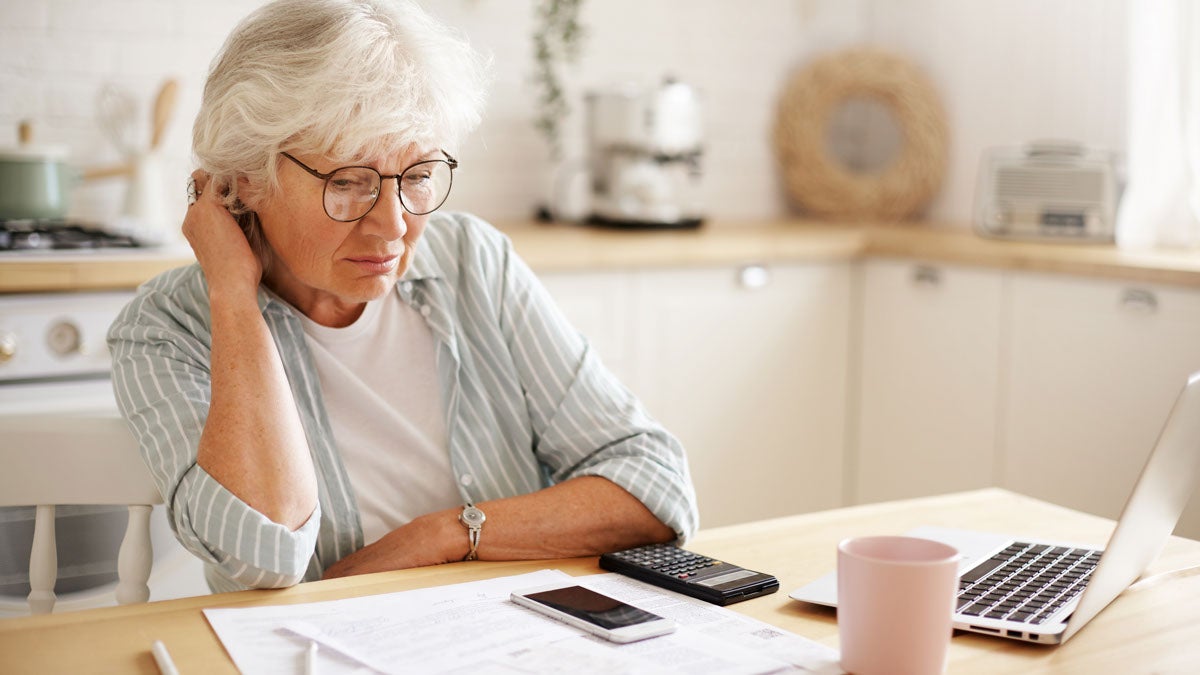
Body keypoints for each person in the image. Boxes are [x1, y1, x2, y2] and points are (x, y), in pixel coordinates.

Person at [108, 0, 697, 594]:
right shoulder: (166, 328)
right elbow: (264, 556)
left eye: (416, 177)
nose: (393, 225)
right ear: (243, 180)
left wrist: (442, 537)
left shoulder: (472, 261)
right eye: (347, 182)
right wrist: (233, 295)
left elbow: (655, 488)